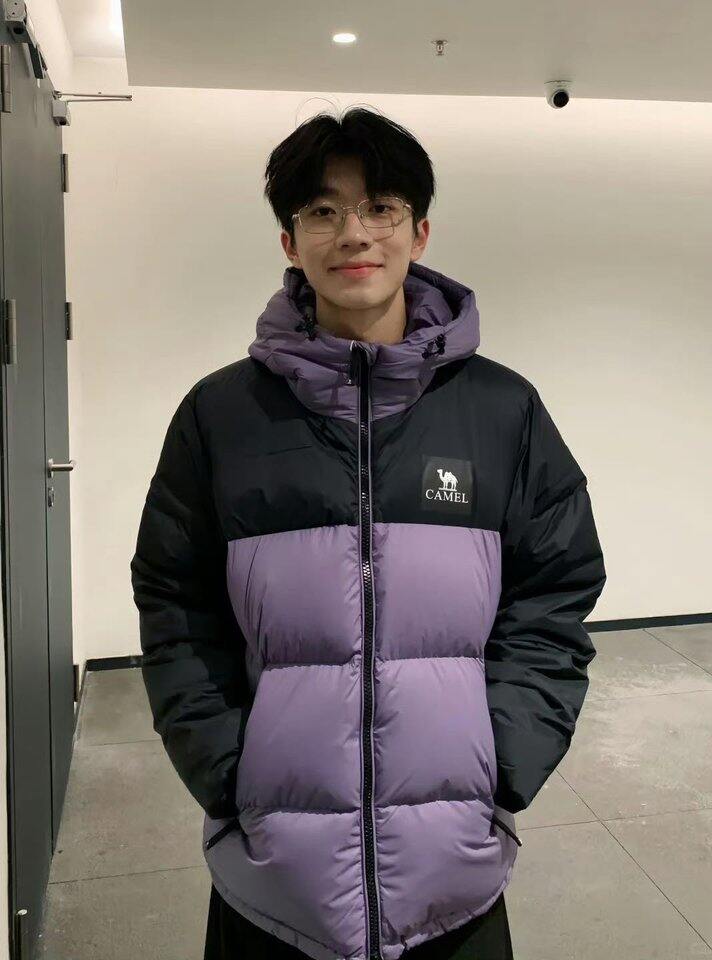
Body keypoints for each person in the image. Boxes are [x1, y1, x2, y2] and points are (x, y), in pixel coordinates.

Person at [130, 106, 606, 960]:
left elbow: (556, 588)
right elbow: (175, 601)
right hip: (274, 879)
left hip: (452, 876)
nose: (354, 233)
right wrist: (227, 771)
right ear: (290, 242)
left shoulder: (503, 411)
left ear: (419, 233)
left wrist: (504, 761)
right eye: (323, 210)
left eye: (380, 207)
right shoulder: (221, 416)